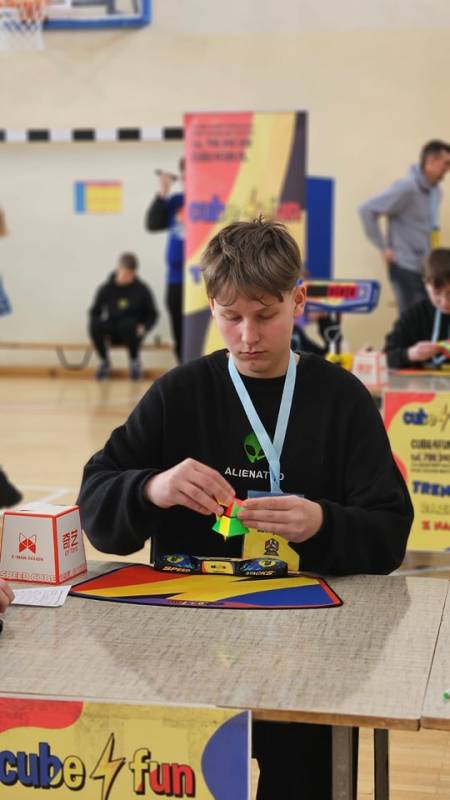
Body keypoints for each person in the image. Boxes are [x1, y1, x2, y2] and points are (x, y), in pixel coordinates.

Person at [77, 219, 413, 800]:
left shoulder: (341, 399)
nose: (247, 336)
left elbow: (390, 532)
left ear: (298, 300)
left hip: (310, 650)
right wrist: (151, 487)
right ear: (211, 305)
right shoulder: (180, 392)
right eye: (230, 316)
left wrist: (323, 523)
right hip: (185, 649)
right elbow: (95, 502)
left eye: (265, 315)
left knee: (304, 783)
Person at [359, 140, 450, 314]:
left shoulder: (436, 192)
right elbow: (366, 210)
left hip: (426, 268)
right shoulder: (407, 188)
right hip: (405, 267)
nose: (448, 169)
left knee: (430, 318)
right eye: (446, 163)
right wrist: (383, 247)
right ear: (430, 161)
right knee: (413, 320)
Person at [89, 252, 158, 381]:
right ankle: (104, 362)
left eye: (130, 274)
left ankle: (134, 362)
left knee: (128, 324)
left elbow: (153, 314)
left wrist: (145, 327)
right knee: (95, 324)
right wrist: (99, 324)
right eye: (124, 273)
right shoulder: (106, 288)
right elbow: (94, 312)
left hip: (132, 331)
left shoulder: (142, 289)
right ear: (118, 269)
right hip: (113, 330)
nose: (127, 277)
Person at [145, 158, 185, 362]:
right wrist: (163, 192)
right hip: (176, 280)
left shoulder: (213, 199)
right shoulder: (176, 201)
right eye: (184, 176)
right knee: (180, 333)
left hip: (204, 279)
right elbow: (153, 223)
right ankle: (186, 370)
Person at [384, 248, 450, 369]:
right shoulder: (413, 315)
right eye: (436, 293)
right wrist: (410, 354)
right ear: (425, 284)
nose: (445, 302)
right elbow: (386, 357)